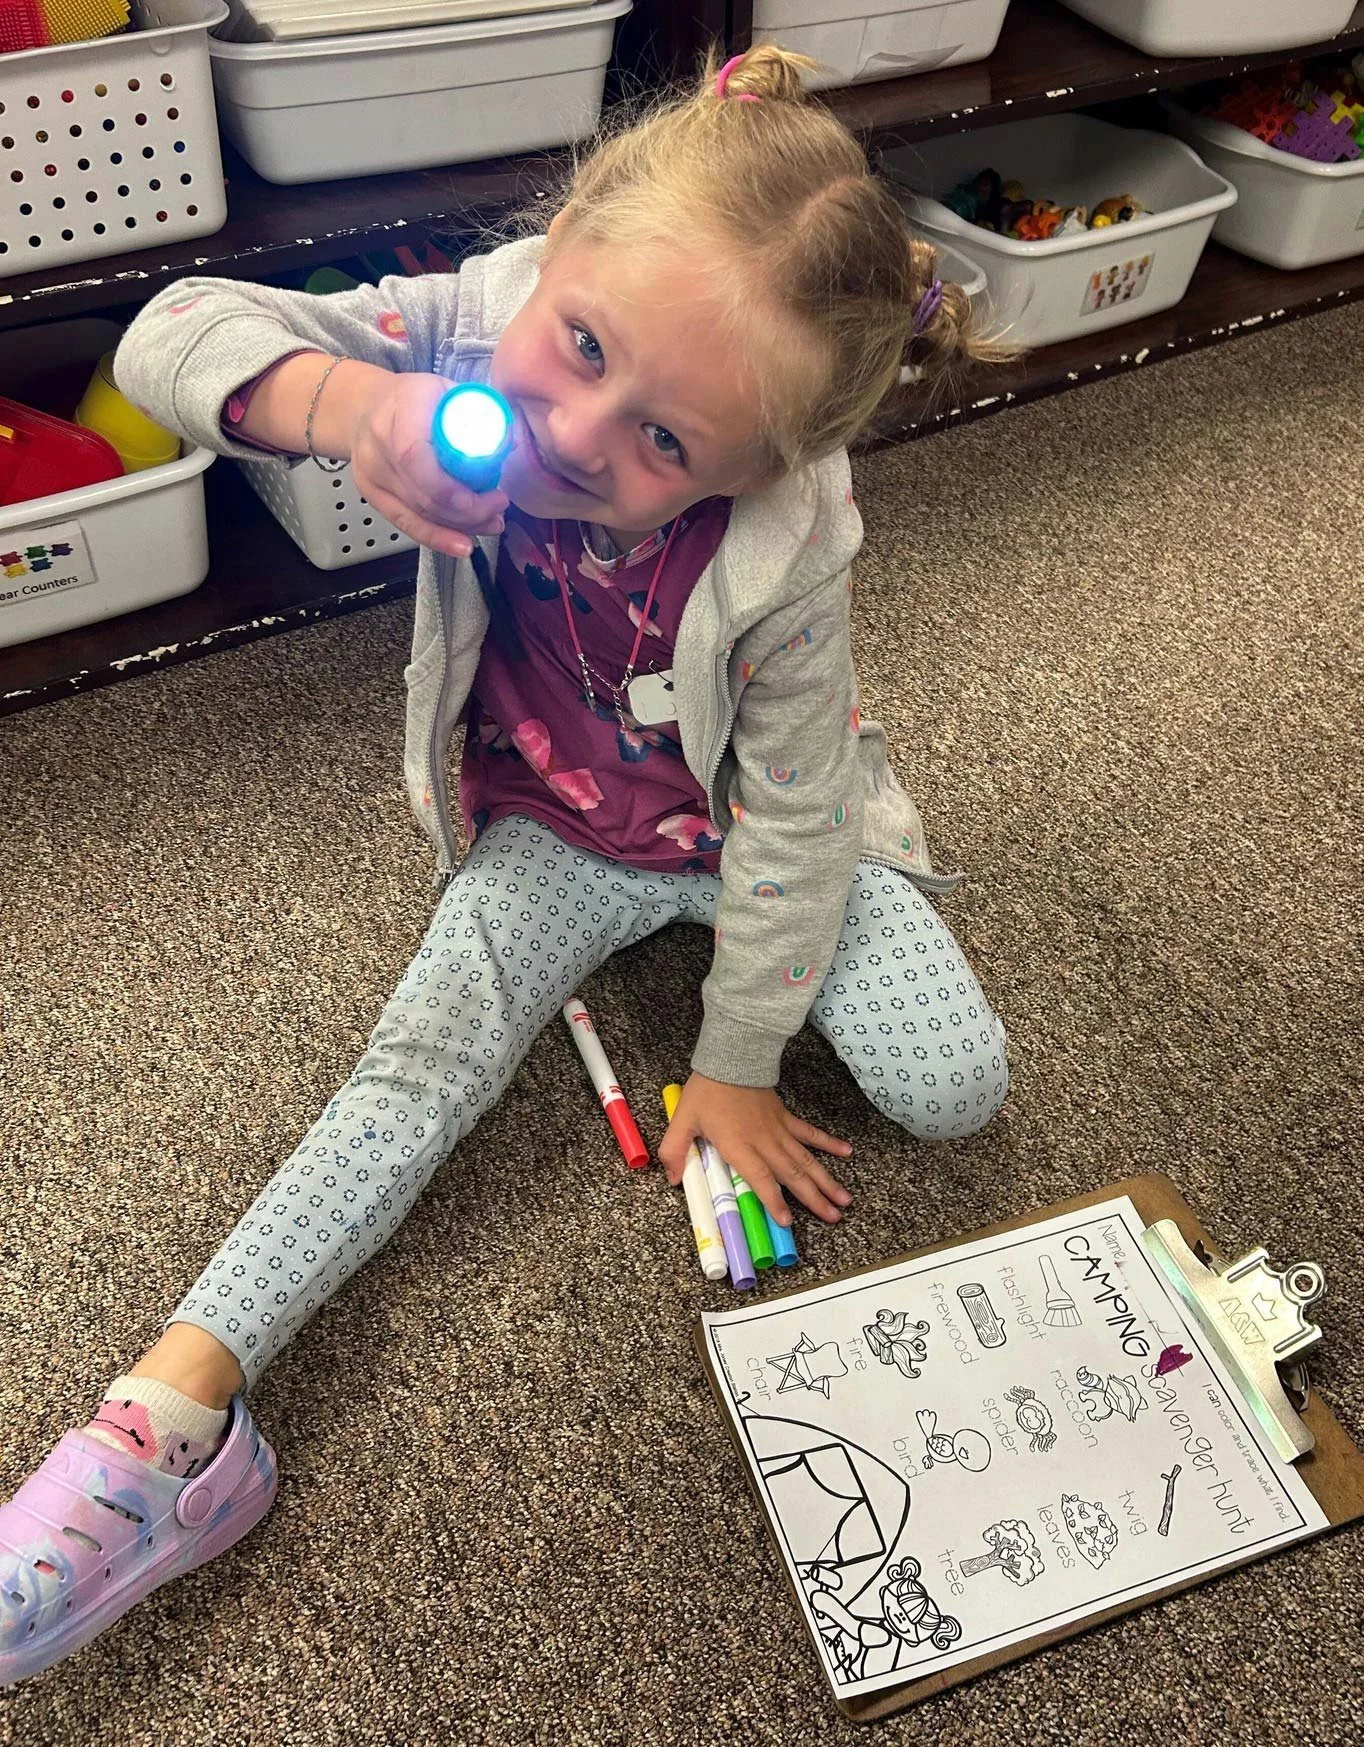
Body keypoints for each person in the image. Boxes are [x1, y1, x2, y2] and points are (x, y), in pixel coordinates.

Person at [1, 44, 1011, 1686]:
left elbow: (803, 811)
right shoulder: (474, 318)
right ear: (564, 247)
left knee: (959, 1081)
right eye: (583, 343)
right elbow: (167, 331)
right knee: (409, 1070)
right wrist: (349, 402)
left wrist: (735, 1064)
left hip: (750, 835)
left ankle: (740, 992)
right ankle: (170, 1419)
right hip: (554, 831)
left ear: (757, 469)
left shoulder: (797, 535)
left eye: (668, 441)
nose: (575, 428)